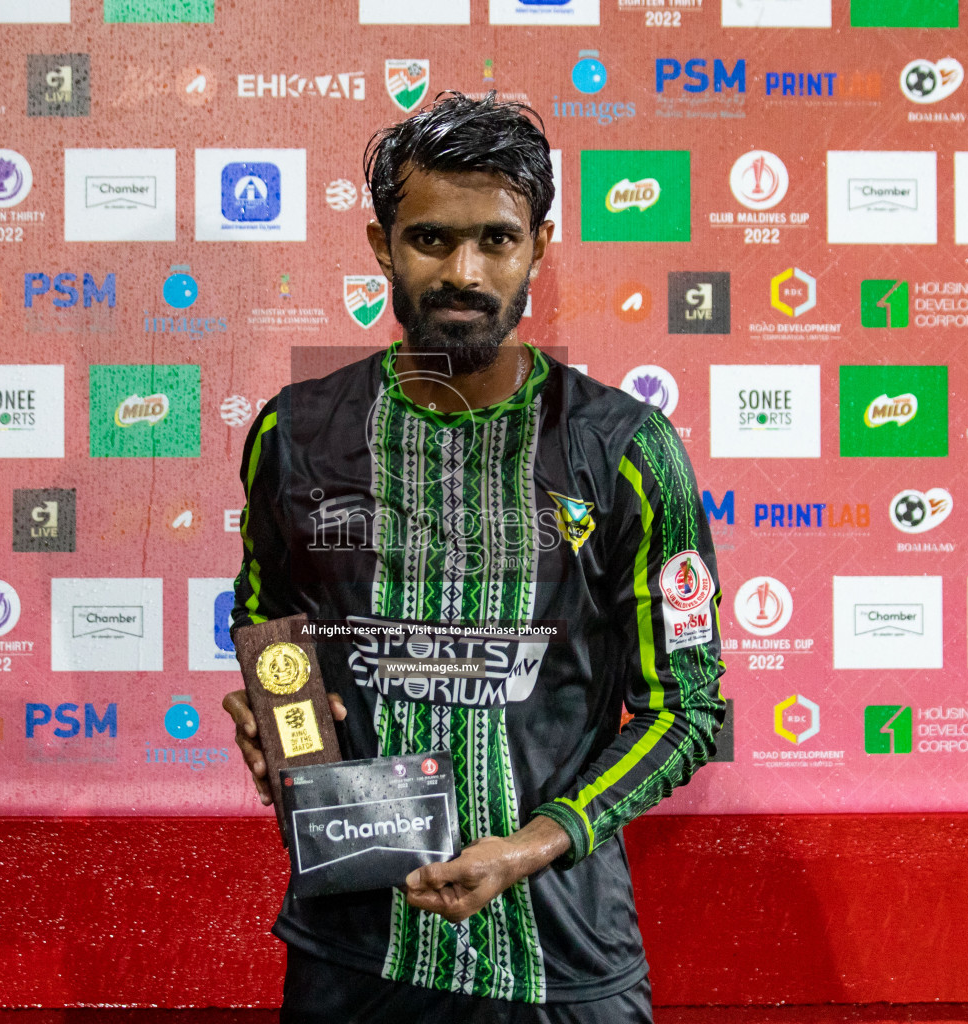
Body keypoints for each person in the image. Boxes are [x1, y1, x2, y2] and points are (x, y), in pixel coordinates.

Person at [222, 92, 726, 1024]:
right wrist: (274, 713)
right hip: (353, 949)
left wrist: (534, 843)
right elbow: (266, 621)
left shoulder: (622, 448)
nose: (464, 271)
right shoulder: (295, 435)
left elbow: (688, 710)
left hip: (561, 957)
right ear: (381, 245)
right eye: (431, 239)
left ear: (538, 246)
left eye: (496, 240)